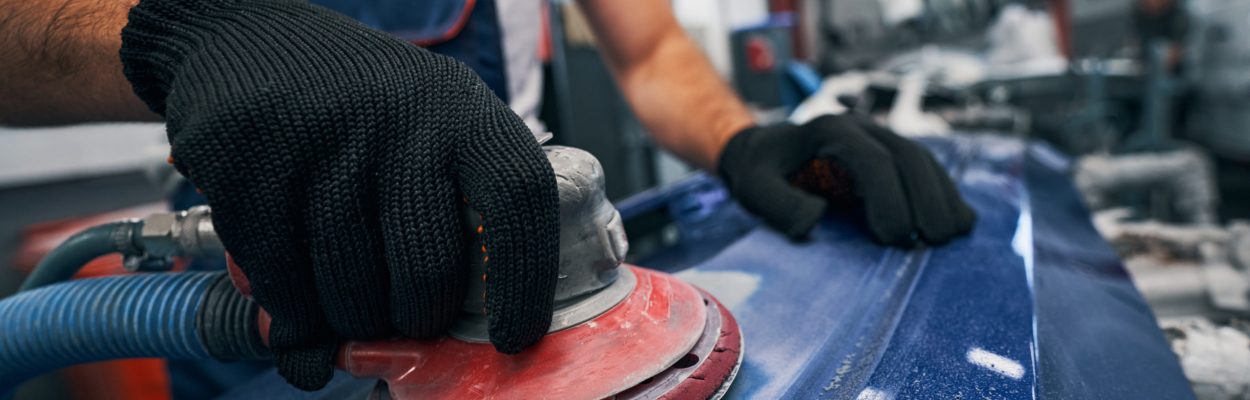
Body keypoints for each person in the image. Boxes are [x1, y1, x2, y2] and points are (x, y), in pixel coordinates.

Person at [0, 0, 975, 393]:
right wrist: (187, 32)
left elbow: (649, 50)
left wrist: (742, 138)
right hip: (268, 271)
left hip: (518, 265)